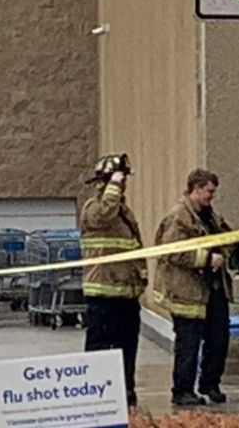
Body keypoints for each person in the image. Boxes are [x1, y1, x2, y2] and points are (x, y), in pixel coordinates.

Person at [152, 169, 239, 406]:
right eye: (209, 192)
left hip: (214, 289)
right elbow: (173, 252)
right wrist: (206, 259)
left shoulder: (211, 216)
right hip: (188, 292)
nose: (211, 197)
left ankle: (210, 385)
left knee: (219, 340)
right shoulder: (179, 217)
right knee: (189, 343)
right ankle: (182, 391)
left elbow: (226, 237)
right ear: (195, 189)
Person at [79, 153, 147, 411]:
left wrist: (140, 279)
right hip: (103, 296)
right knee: (99, 350)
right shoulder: (94, 209)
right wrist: (114, 185)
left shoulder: (122, 211)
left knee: (127, 348)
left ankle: (125, 391)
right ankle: (95, 394)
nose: (125, 184)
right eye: (121, 180)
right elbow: (103, 216)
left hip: (126, 295)